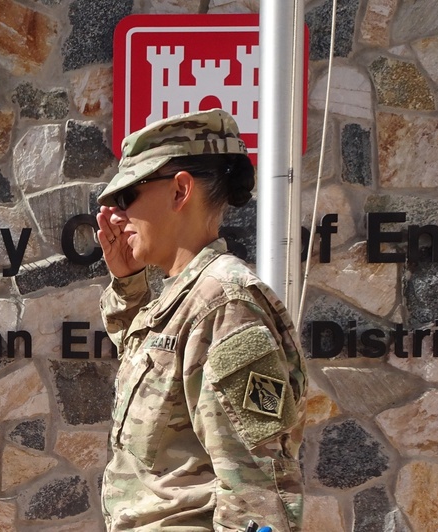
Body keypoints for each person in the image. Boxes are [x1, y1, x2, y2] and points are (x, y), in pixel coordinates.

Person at [96, 109, 307, 532]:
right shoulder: (186, 296)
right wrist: (128, 283)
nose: (115, 215)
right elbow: (149, 363)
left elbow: (255, 476)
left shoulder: (225, 303)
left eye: (128, 196)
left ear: (179, 190)